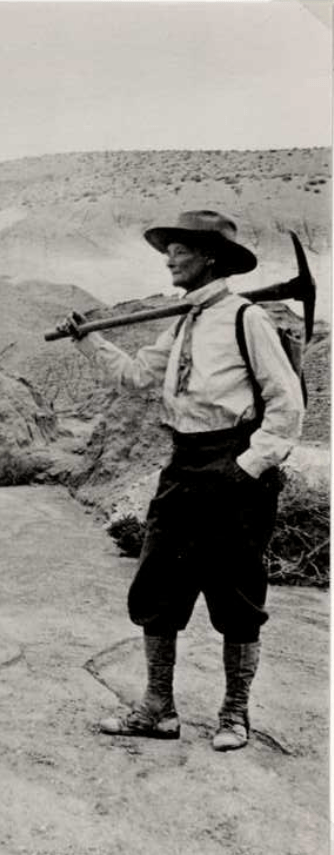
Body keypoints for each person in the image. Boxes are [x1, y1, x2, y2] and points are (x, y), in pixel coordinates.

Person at [65, 210, 304, 751]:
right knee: (157, 587)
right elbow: (136, 377)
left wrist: (246, 469)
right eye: (168, 248)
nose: (170, 257)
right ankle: (157, 710)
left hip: (235, 466)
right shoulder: (182, 323)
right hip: (183, 466)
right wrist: (88, 341)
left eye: (180, 249)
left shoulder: (247, 321)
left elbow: (288, 407)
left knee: (236, 595)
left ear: (210, 258)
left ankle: (235, 715)